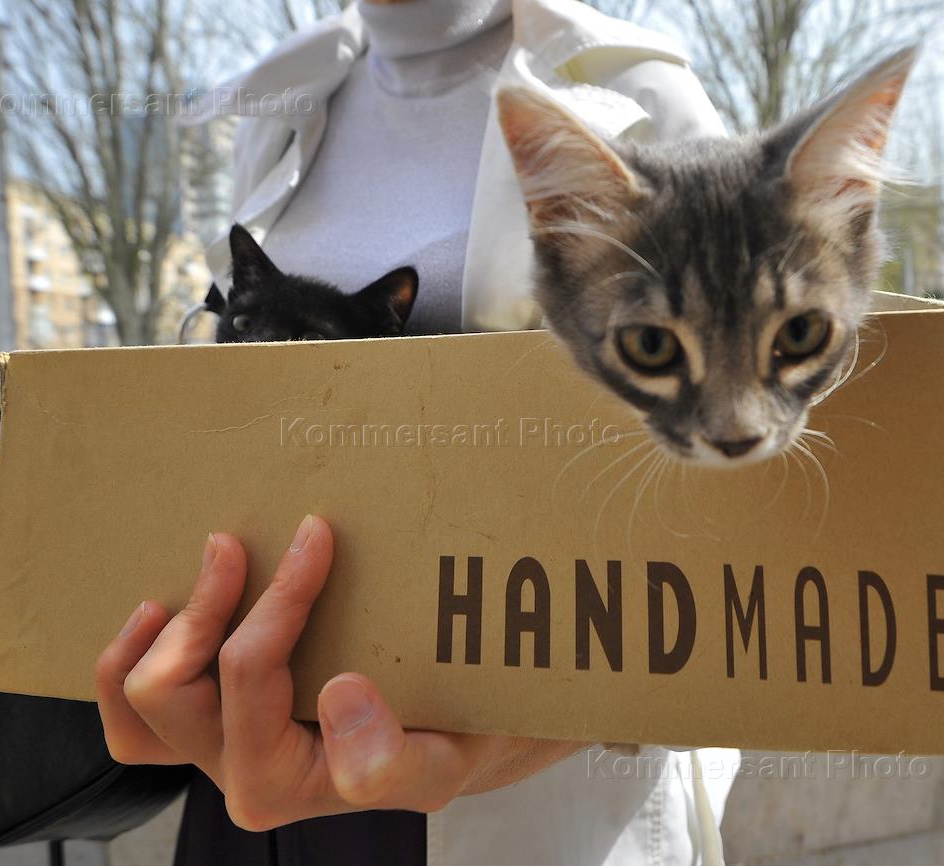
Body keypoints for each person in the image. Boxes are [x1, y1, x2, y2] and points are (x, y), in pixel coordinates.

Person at [95, 1, 741, 863]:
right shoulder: (276, 106)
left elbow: (734, 532)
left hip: (522, 809)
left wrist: (496, 749)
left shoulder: (641, 92)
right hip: (257, 778)